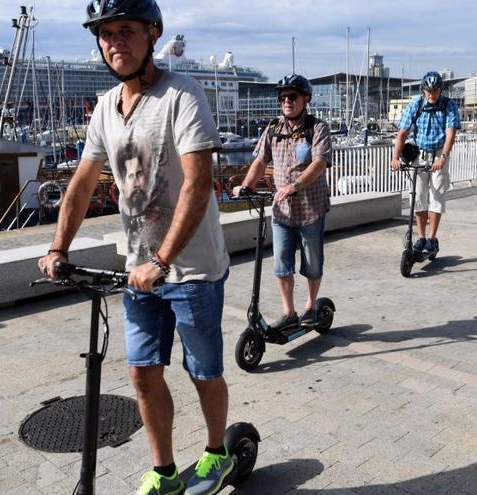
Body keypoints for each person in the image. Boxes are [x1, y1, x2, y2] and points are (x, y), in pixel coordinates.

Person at [37, 2, 232, 494]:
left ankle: (217, 453)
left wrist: (163, 260)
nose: (115, 42)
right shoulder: (105, 106)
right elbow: (83, 181)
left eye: (126, 31)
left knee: (202, 371)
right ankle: (164, 471)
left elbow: (198, 183)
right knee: (143, 374)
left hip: (191, 269)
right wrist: (58, 246)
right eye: (106, 34)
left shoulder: (182, 95)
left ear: (152, 35)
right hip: (137, 270)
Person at [233, 74, 332, 332]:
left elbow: (319, 163)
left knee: (312, 264)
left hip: (311, 208)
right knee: (280, 264)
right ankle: (289, 313)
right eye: (283, 97)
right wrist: (246, 186)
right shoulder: (274, 128)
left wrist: (295, 186)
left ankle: (311, 306)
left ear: (305, 99)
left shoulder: (317, 128)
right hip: (283, 212)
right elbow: (259, 160)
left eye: (292, 96)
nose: (287, 101)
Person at [390, 71, 461, 255]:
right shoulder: (416, 104)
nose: (431, 94)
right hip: (419, 154)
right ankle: (420, 237)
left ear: (440, 90)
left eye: (435, 91)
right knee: (418, 196)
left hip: (439, 155)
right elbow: (402, 133)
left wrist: (443, 157)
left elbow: (451, 133)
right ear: (423, 90)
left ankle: (431, 238)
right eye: (428, 91)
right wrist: (395, 158)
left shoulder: (448, 105)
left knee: (436, 196)